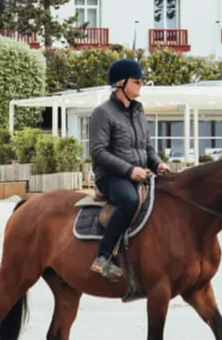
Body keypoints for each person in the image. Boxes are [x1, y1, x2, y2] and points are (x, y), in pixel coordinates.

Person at [88, 57, 171, 281]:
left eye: (142, 81)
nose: (141, 85)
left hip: (140, 174)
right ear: (120, 84)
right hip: (111, 176)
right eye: (137, 81)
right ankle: (103, 257)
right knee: (129, 200)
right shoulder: (102, 113)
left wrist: (157, 163)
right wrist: (129, 171)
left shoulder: (138, 111)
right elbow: (98, 152)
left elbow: (148, 147)